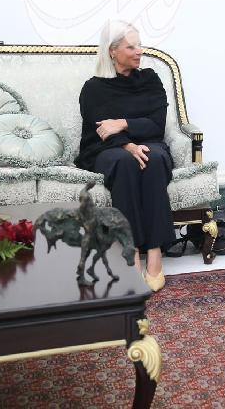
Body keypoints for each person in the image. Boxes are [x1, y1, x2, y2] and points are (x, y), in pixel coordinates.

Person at [75, 19, 175, 292]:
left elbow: (156, 124)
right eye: (131, 47)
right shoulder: (94, 88)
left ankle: (154, 250)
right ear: (112, 51)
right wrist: (128, 145)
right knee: (125, 162)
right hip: (106, 149)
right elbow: (101, 130)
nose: (139, 51)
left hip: (150, 143)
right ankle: (131, 251)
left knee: (154, 159)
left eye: (139, 45)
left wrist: (122, 123)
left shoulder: (151, 80)